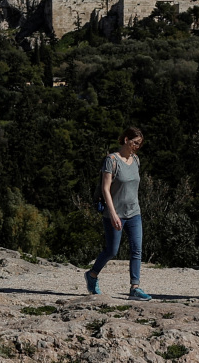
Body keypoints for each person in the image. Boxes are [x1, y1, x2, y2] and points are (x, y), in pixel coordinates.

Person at [84, 127, 151, 301]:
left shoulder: (136, 160)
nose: (137, 146)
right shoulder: (111, 160)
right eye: (135, 142)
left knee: (137, 249)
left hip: (134, 212)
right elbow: (106, 189)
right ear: (126, 139)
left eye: (139, 144)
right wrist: (113, 214)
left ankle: (134, 288)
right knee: (112, 250)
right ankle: (92, 275)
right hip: (115, 213)